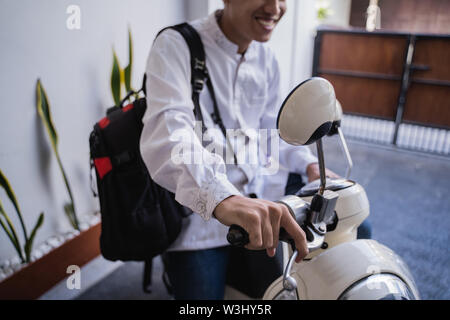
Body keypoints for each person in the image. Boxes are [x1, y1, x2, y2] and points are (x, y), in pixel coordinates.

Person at [140, 0, 341, 299]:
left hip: (263, 207)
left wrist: (309, 165)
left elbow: (272, 131)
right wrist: (222, 197)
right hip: (198, 222)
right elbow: (170, 134)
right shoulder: (175, 45)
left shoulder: (267, 59)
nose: (275, 7)